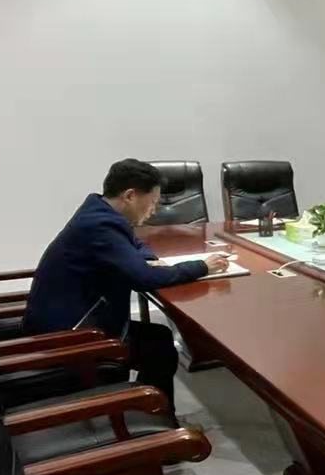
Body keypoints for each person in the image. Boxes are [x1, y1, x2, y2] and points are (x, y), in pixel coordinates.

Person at [24, 159, 229, 405]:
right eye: (152, 202)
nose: (154, 210)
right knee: (159, 348)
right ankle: (154, 415)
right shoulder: (101, 225)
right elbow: (144, 279)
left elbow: (134, 243)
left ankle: (151, 409)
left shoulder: (100, 212)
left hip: (74, 317)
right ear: (130, 196)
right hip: (71, 334)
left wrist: (149, 259)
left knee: (160, 337)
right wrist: (202, 266)